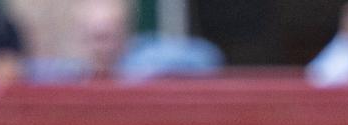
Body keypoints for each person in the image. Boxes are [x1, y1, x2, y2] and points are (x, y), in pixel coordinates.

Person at [26, 0, 223, 82]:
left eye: (107, 37)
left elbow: (208, 57)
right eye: (93, 38)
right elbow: (29, 70)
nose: (100, 48)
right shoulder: (72, 72)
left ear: (124, 34)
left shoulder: (143, 60)